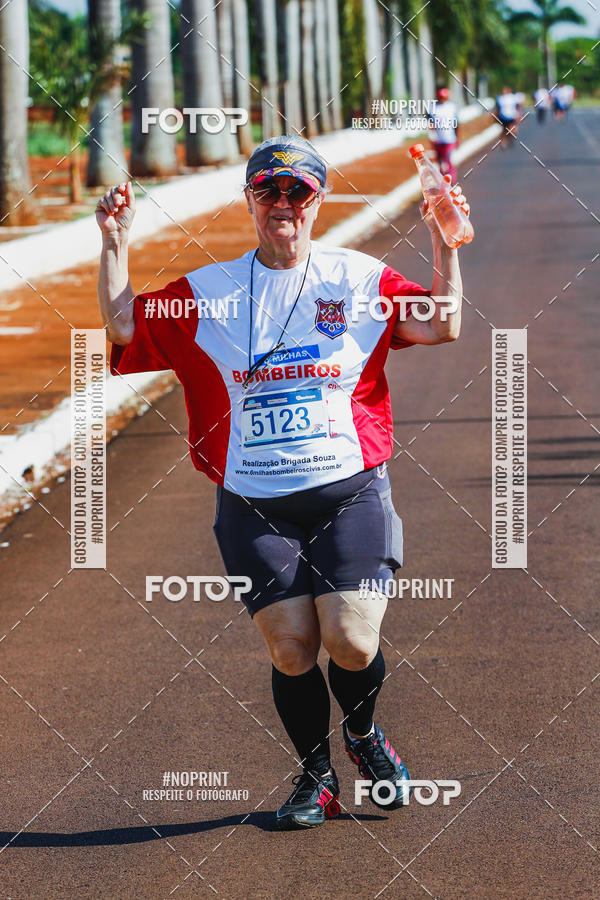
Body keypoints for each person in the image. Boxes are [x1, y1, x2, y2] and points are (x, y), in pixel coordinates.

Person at [96, 135, 470, 830]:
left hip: (349, 489)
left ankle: (360, 736)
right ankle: (316, 775)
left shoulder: (357, 279)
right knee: (293, 647)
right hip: (252, 503)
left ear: (318, 201)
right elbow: (122, 326)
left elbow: (443, 324)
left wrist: (446, 244)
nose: (283, 204)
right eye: (268, 190)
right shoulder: (207, 294)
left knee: (352, 641)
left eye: (298, 191)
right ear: (249, 201)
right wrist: (115, 241)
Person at [428, 86, 459, 182]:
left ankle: (451, 180)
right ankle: (442, 181)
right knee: (440, 162)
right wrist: (431, 136)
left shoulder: (452, 107)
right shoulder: (432, 108)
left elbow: (456, 124)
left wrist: (457, 138)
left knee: (448, 160)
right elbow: (430, 123)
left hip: (450, 139)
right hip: (438, 139)